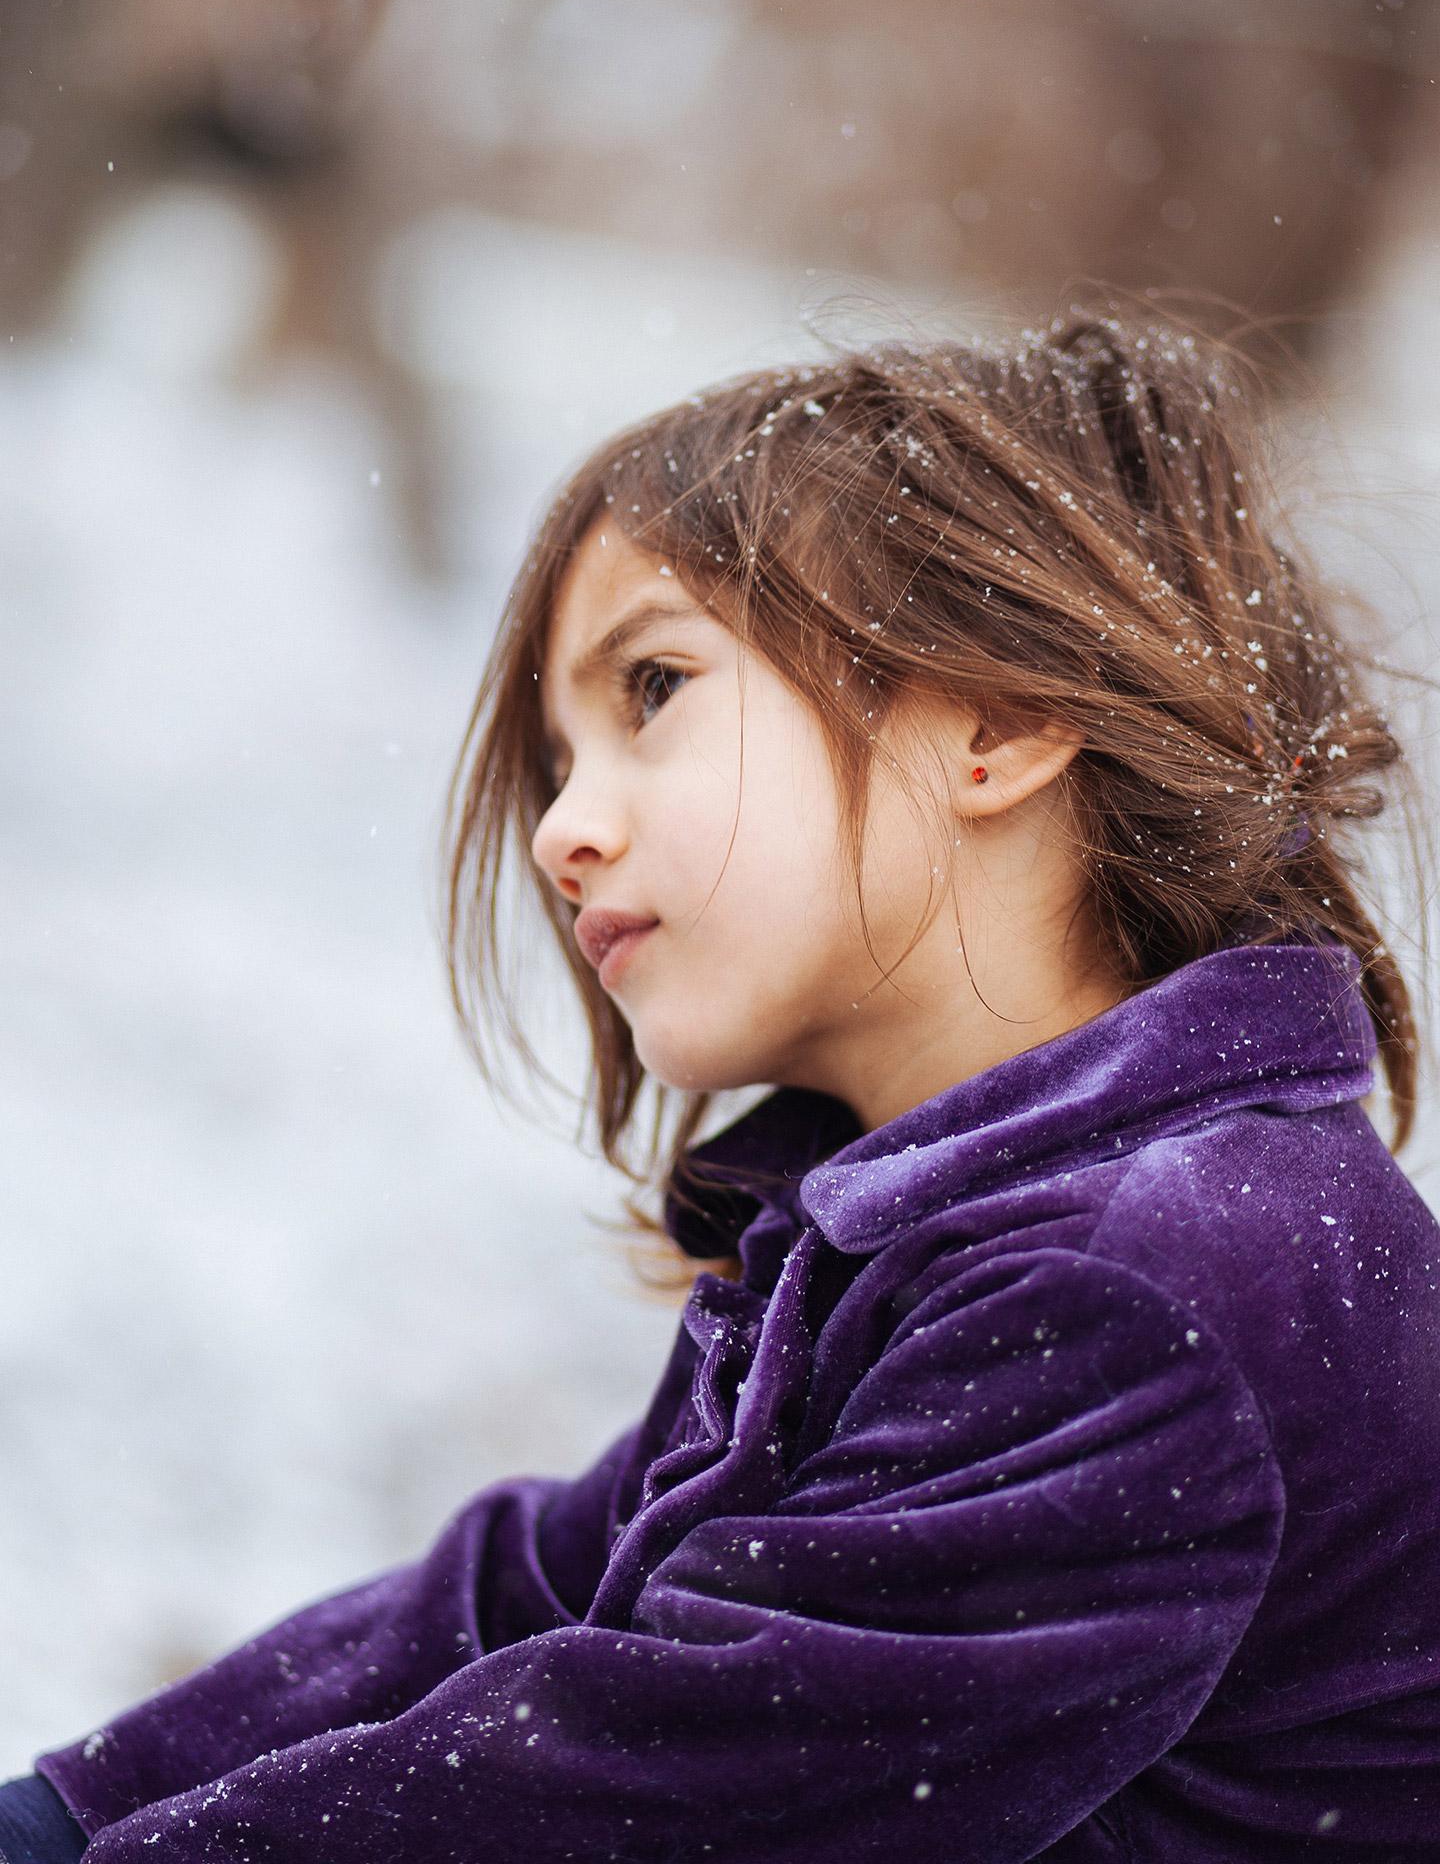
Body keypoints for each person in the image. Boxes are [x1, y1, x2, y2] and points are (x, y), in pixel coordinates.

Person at [4, 308, 1438, 1862]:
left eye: (653, 692)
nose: (565, 831)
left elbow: (655, 1784)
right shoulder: (950, 1233)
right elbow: (532, 1593)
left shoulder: (1153, 1278)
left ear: (1007, 718)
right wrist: (72, 1810)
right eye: (556, 764)